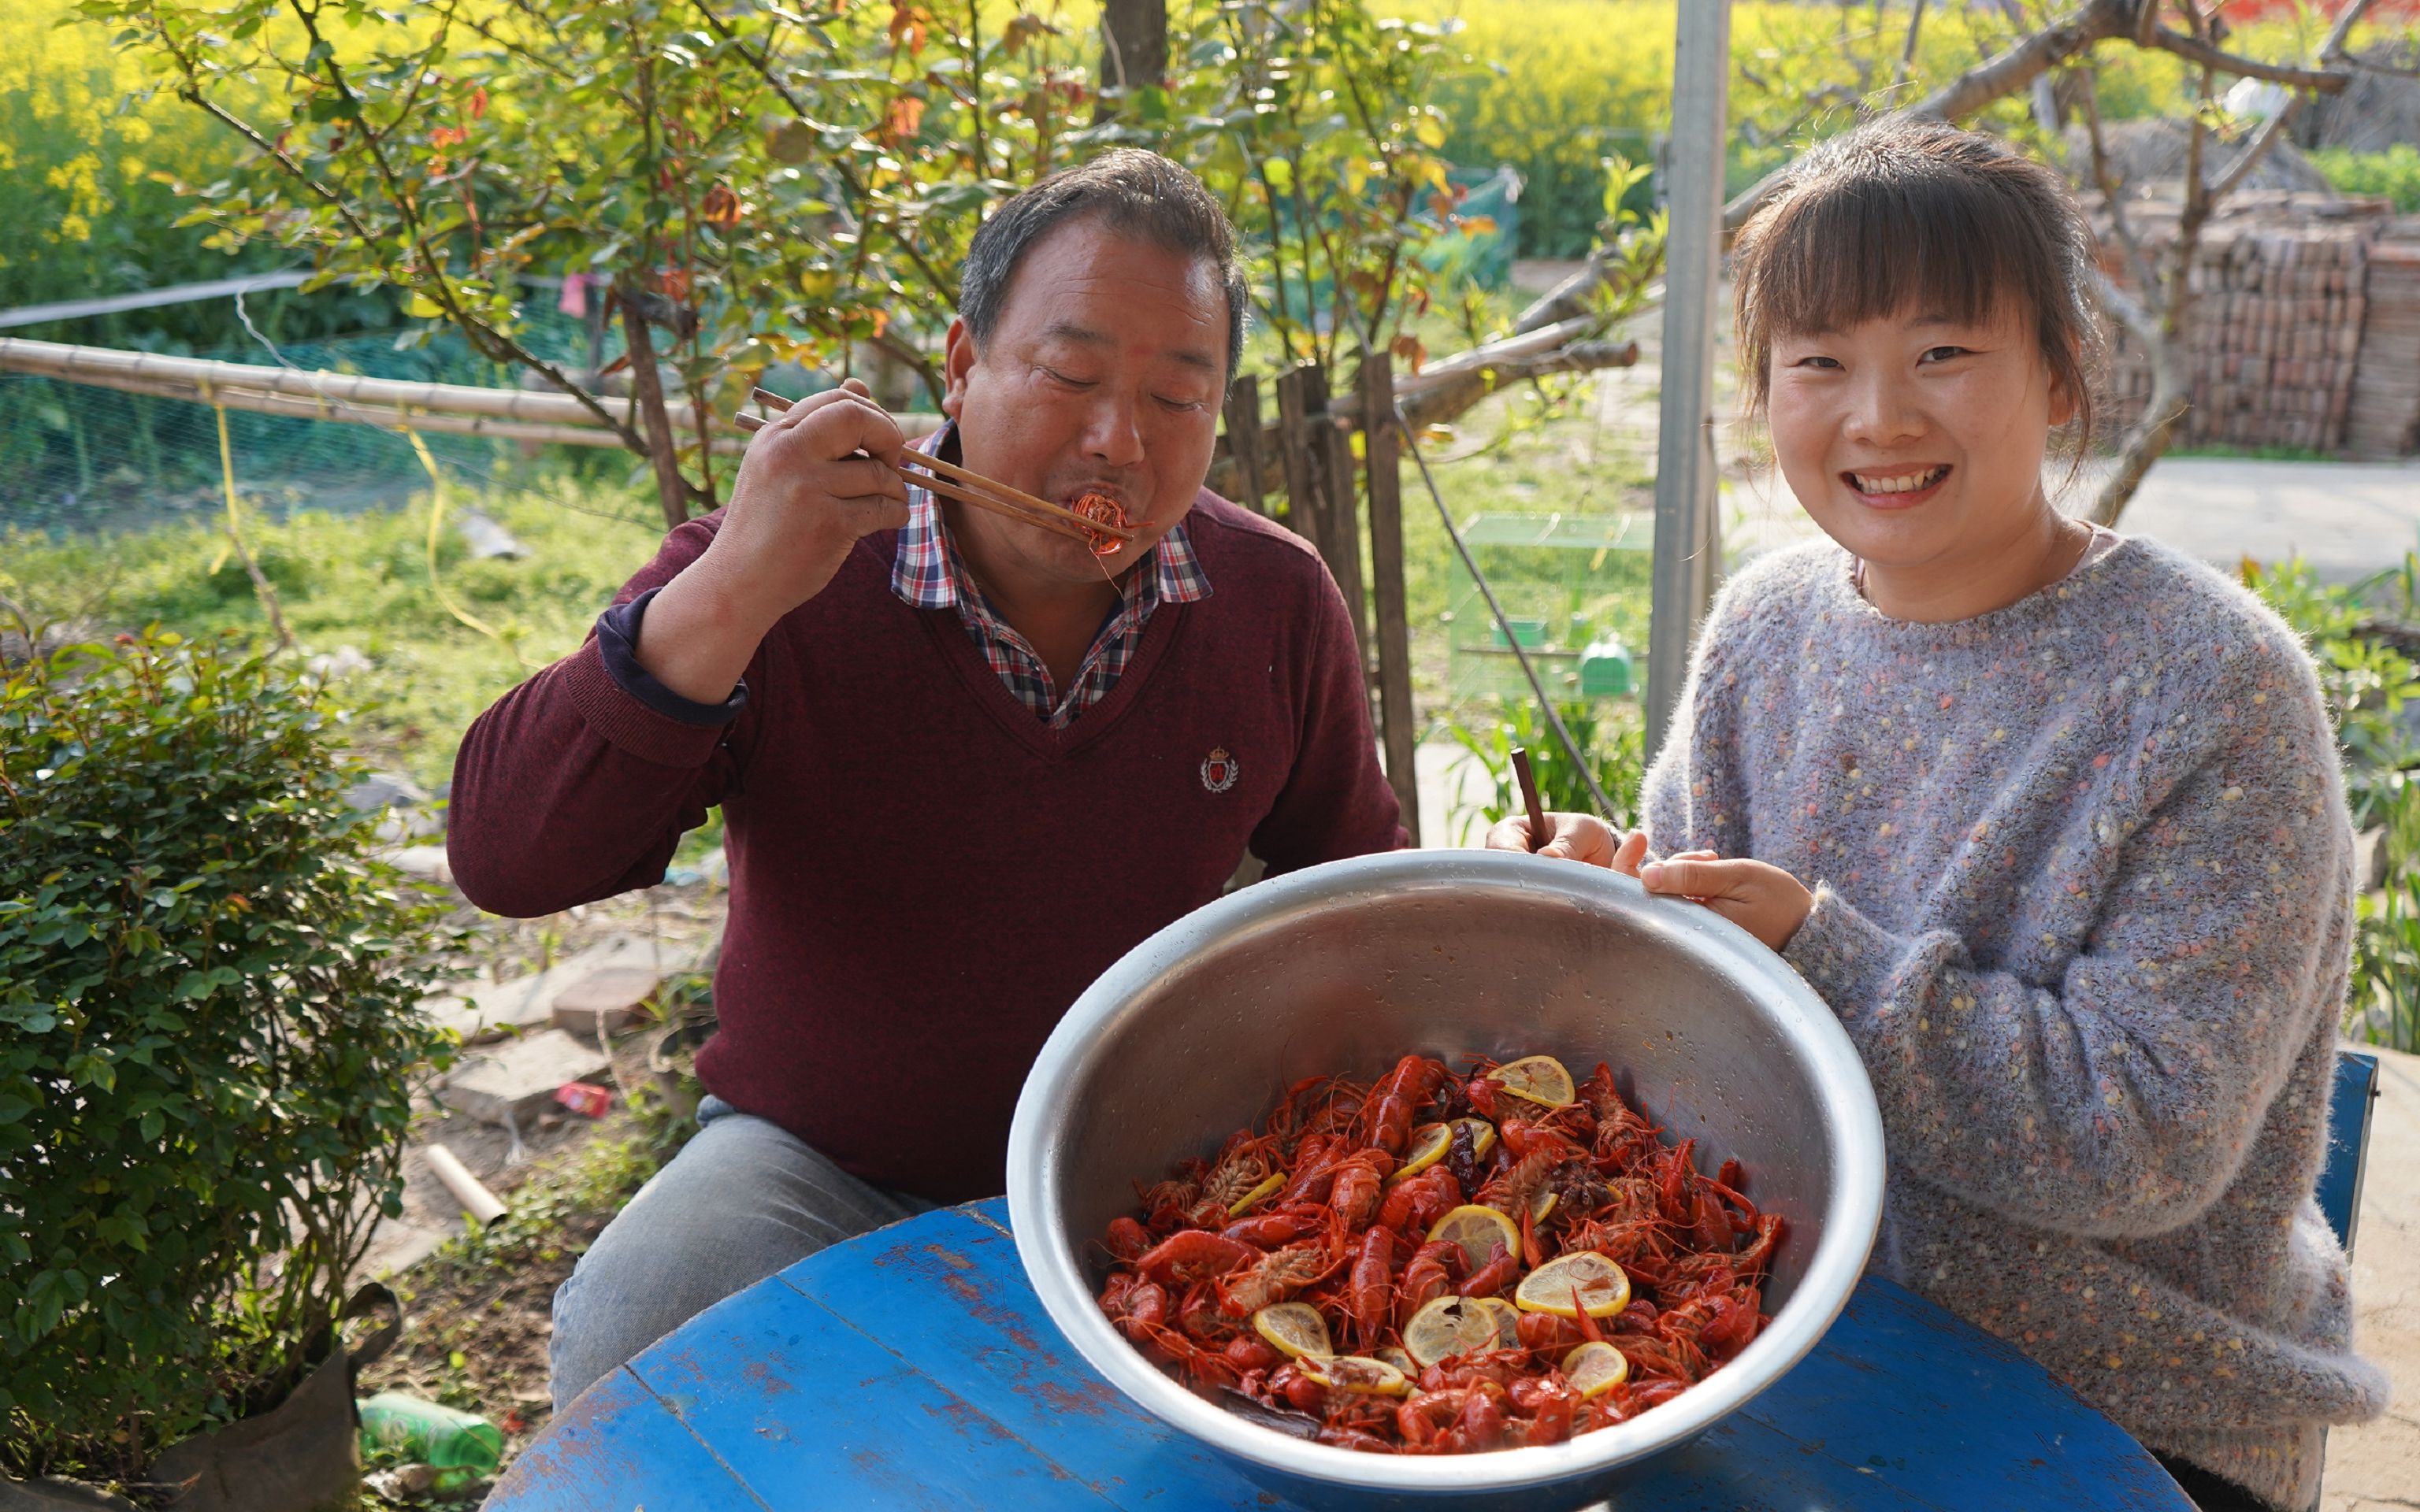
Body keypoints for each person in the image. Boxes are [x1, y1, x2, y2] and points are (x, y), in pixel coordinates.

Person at [1494, 118, 2386, 1511]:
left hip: (2135, 1407)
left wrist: (1816, 953)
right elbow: (1687, 1028)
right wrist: (1618, 903)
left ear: (2059, 373)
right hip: (1778, 1345)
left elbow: (2140, 1139)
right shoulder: (1764, 632)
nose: (1881, 418)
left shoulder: (2216, 686)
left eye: (1943, 355)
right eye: (1822, 363)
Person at [447, 150, 1405, 1411]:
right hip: (817, 1164)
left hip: (1156, 1181)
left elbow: (1357, 892)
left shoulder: (1270, 599)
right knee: (644, 1323)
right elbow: (507, 857)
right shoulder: (791, 569)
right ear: (960, 366)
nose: (1118, 441)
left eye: (1179, 397)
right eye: (1069, 376)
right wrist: (730, 587)